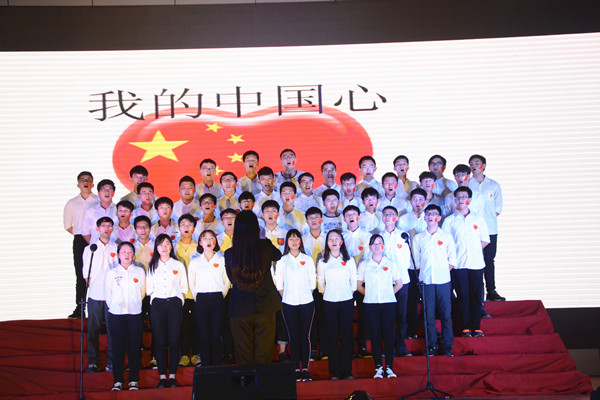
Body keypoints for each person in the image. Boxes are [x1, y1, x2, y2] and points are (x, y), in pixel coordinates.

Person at [224, 210, 283, 364]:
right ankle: (262, 380)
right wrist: (263, 238)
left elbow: (232, 279)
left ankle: (247, 379)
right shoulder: (265, 246)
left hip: (240, 307)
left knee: (244, 355)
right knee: (264, 355)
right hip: (265, 306)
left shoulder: (229, 254)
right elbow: (277, 255)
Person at [442, 187, 490, 337]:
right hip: (459, 265)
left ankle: (476, 327)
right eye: (458, 197)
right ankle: (465, 327)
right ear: (455, 200)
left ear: (469, 200)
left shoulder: (478, 219)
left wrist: (473, 250)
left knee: (476, 297)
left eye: (464, 197)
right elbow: (445, 243)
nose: (461, 199)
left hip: (476, 264)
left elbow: (485, 239)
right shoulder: (450, 221)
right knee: (463, 297)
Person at [413, 205, 457, 357]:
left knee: (446, 314)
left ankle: (447, 346)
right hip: (426, 281)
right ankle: (431, 346)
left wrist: (442, 272)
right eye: (428, 214)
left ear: (439, 218)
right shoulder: (418, 238)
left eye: (434, 214)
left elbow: (452, 260)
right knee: (428, 316)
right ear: (424, 217)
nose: (431, 216)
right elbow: (417, 262)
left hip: (443, 281)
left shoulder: (446, 237)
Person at [146, 234, 188, 388]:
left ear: (171, 246)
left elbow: (183, 287)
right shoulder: (152, 265)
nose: (164, 247)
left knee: (174, 339)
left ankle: (173, 375)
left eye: (167, 244)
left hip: (174, 304)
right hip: (158, 304)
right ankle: (162, 376)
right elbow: (149, 288)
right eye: (161, 244)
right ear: (156, 247)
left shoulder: (178, 265)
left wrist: (178, 300)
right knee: (160, 340)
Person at [357, 234, 402, 379]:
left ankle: (389, 366)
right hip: (370, 304)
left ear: (383, 246)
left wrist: (388, 293)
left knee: (389, 334)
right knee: (375, 335)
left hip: (388, 303)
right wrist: (370, 294)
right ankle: (378, 366)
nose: (377, 246)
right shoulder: (364, 264)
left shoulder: (391, 263)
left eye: (380, 243)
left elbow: (399, 284)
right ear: (370, 247)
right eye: (374, 243)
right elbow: (358, 285)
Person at [275, 229, 316, 382]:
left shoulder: (307, 259)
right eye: (291, 239)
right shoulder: (282, 260)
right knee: (293, 336)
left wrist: (307, 293)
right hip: (288, 302)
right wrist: (285, 295)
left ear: (300, 241)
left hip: (306, 302)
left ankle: (305, 369)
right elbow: (279, 281)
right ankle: (295, 369)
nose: (294, 241)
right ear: (287, 242)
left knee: (305, 336)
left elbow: (312, 280)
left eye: (296, 238)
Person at [317, 229, 357, 380]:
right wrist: (327, 293)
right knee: (332, 336)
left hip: (346, 301)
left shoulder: (349, 260)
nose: (333, 241)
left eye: (336, 238)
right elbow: (321, 283)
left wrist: (348, 293)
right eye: (330, 239)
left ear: (341, 242)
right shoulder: (323, 262)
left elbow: (353, 282)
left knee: (347, 336)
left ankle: (347, 370)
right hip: (329, 302)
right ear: (327, 243)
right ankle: (334, 371)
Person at [105, 241, 145, 391]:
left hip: (134, 314)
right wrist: (115, 306)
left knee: (134, 347)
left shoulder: (139, 271)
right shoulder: (112, 273)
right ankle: (118, 381)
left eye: (130, 252)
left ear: (133, 255)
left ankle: (134, 380)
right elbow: (108, 294)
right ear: (118, 254)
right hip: (117, 314)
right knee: (118, 348)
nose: (127, 254)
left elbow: (142, 292)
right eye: (124, 252)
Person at [188, 230, 231, 366]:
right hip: (201, 299)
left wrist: (221, 295)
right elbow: (192, 282)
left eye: (211, 238)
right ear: (200, 242)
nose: (208, 241)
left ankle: (217, 363)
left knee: (216, 333)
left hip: (217, 298)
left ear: (215, 242)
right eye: (205, 238)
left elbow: (226, 281)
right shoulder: (195, 261)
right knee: (203, 334)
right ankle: (206, 364)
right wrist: (198, 297)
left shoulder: (222, 259)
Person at [83, 216, 118, 373]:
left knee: (113, 330)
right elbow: (86, 274)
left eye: (109, 226)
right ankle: (93, 362)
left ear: (112, 229)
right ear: (97, 228)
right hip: (95, 295)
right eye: (103, 226)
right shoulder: (90, 249)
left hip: (112, 296)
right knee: (93, 330)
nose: (106, 228)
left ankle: (111, 361)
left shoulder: (117, 247)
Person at [468, 154, 505, 302]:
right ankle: (476, 293)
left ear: (483, 166)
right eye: (471, 163)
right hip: (472, 230)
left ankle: (491, 291)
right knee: (473, 261)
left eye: (477, 163)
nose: (473, 165)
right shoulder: (467, 185)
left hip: (490, 229)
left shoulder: (493, 185)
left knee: (489, 260)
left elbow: (497, 208)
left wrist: (484, 224)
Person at [63, 171, 97, 319]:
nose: (85, 182)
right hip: (80, 240)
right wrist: (82, 235)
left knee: (98, 273)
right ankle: (80, 307)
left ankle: (100, 309)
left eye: (88, 180)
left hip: (96, 241)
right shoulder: (72, 203)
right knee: (80, 273)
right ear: (78, 184)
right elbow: (68, 225)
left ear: (92, 184)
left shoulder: (98, 201)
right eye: (82, 180)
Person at [380, 206, 412, 357]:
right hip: (385, 282)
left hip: (403, 280)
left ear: (396, 218)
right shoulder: (379, 238)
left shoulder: (403, 236)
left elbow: (407, 260)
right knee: (387, 316)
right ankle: (388, 347)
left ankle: (401, 346)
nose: (387, 217)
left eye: (391, 214)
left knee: (402, 315)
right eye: (385, 214)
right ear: (382, 218)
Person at [396, 188, 428, 339]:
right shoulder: (404, 219)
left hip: (426, 264)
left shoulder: (430, 218)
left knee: (428, 299)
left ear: (425, 202)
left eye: (420, 200)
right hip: (410, 265)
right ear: (410, 202)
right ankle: (412, 330)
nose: (418, 203)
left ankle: (429, 330)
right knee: (411, 299)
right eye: (414, 200)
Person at [174, 214, 200, 367]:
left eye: (189, 224)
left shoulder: (199, 247)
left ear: (194, 228)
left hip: (195, 293)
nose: (186, 227)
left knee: (196, 325)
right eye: (183, 224)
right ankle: (183, 354)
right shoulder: (172, 247)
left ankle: (196, 354)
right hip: (179, 294)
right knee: (182, 326)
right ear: (179, 227)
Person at [81, 179, 117, 245]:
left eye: (110, 190)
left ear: (113, 193)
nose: (107, 192)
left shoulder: (119, 210)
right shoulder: (90, 210)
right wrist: (95, 245)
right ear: (98, 193)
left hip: (115, 248)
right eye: (103, 190)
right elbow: (85, 233)